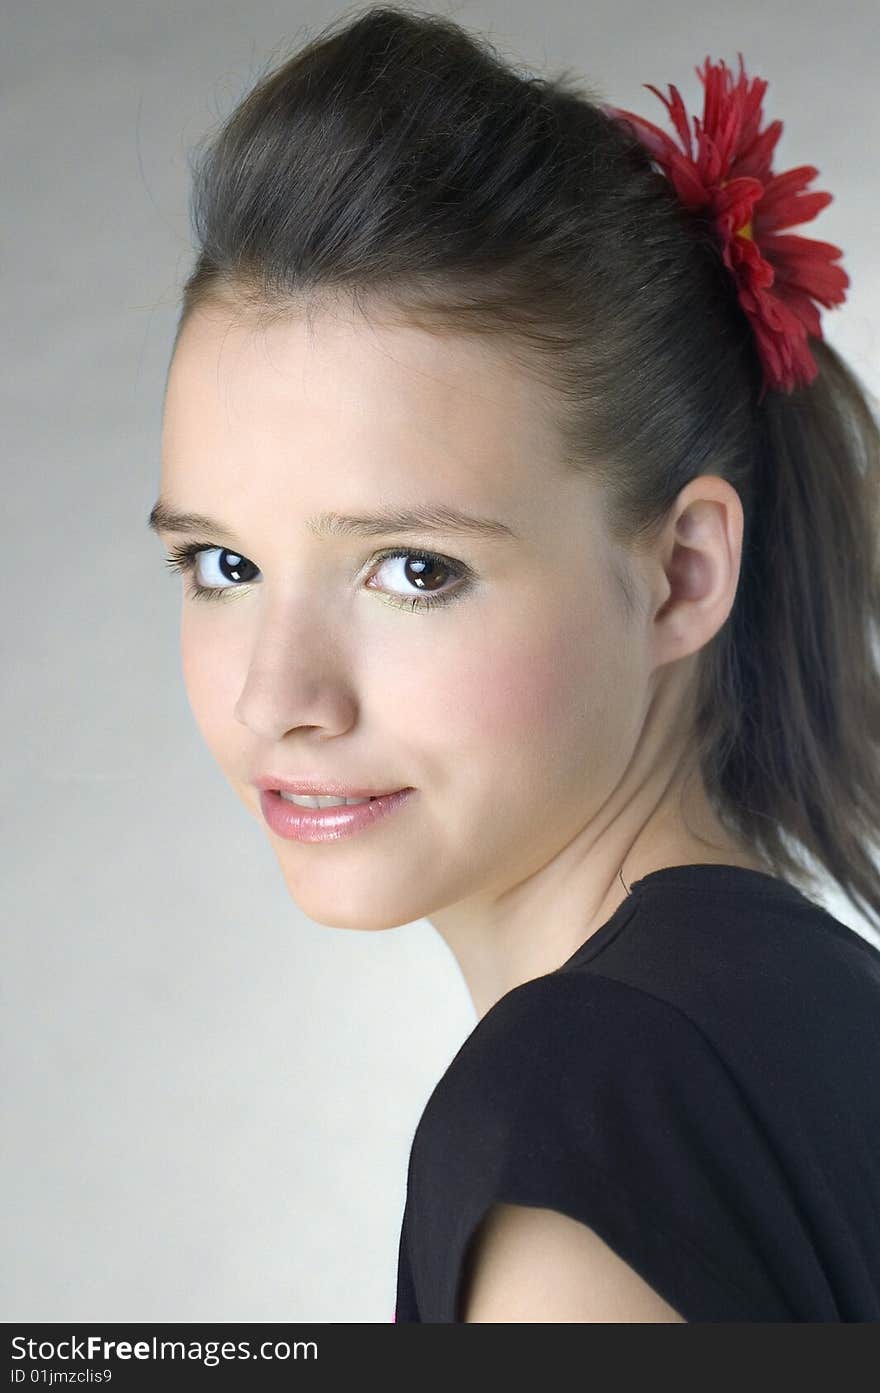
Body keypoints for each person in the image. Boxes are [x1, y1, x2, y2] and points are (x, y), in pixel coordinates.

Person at [149, 6, 880, 1321]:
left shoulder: (588, 1107)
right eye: (222, 564)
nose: (278, 696)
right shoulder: (817, 1014)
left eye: (411, 567)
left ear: (680, 572)